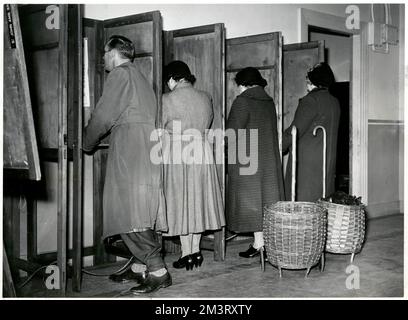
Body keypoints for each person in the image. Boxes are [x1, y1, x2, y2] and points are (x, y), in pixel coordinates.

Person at [83, 35, 171, 294]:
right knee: (139, 210)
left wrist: (86, 142)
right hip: (145, 146)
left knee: (129, 212)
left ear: (112, 53)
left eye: (103, 53)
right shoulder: (140, 77)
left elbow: (103, 116)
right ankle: (138, 267)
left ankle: (158, 270)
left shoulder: (120, 75)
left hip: (131, 149)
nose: (102, 59)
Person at [161, 60, 225, 270]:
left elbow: (159, 129)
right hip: (202, 152)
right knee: (198, 202)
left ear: (172, 79)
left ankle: (186, 253)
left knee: (181, 204)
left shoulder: (167, 99)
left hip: (179, 153)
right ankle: (195, 252)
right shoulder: (206, 97)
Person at [226, 67, 284, 259]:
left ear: (243, 84)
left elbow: (232, 134)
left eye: (238, 86)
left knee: (252, 204)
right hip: (267, 161)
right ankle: (261, 244)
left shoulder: (242, 101)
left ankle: (261, 244)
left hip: (247, 162)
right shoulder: (269, 102)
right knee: (262, 204)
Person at [282, 62, 340, 202]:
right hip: (326, 159)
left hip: (307, 163)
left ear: (313, 81)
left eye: (308, 80)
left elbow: (295, 130)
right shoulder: (334, 101)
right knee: (322, 200)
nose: (307, 85)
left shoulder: (310, 100)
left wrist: (280, 145)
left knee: (304, 202)